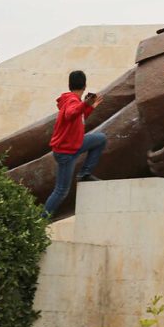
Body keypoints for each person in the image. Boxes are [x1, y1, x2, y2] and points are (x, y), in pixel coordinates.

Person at [42, 70, 107, 219]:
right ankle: (40, 222)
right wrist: (85, 103)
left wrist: (90, 107)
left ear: (69, 85)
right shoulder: (72, 101)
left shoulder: (71, 100)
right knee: (61, 191)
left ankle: (84, 173)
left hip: (74, 144)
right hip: (66, 152)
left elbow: (78, 118)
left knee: (100, 139)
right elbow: (70, 114)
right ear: (84, 86)